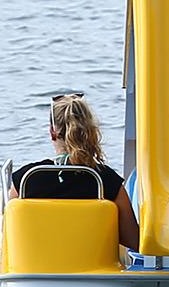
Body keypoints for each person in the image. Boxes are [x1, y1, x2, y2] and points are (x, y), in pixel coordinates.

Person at [11, 91, 137, 254]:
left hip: (34, 266)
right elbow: (133, 240)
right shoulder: (105, 180)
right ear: (89, 130)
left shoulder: (26, 179)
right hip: (93, 265)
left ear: (52, 132)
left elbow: (10, 233)